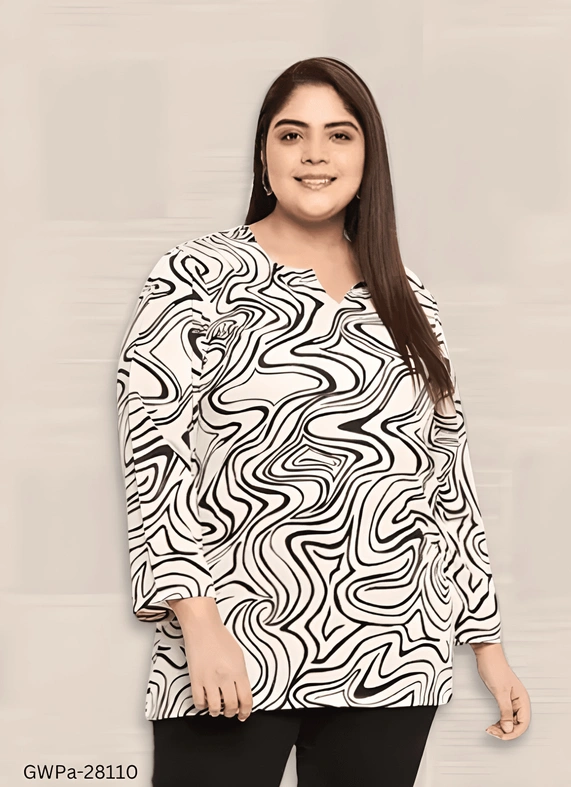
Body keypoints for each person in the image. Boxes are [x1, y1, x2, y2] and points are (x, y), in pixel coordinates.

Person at [116, 57, 530, 787]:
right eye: (292, 134)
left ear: (368, 160)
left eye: (339, 135)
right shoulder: (196, 274)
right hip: (234, 646)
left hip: (396, 656)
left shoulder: (409, 298)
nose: (314, 154)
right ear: (264, 155)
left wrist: (488, 649)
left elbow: (447, 481)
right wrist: (197, 620)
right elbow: (153, 446)